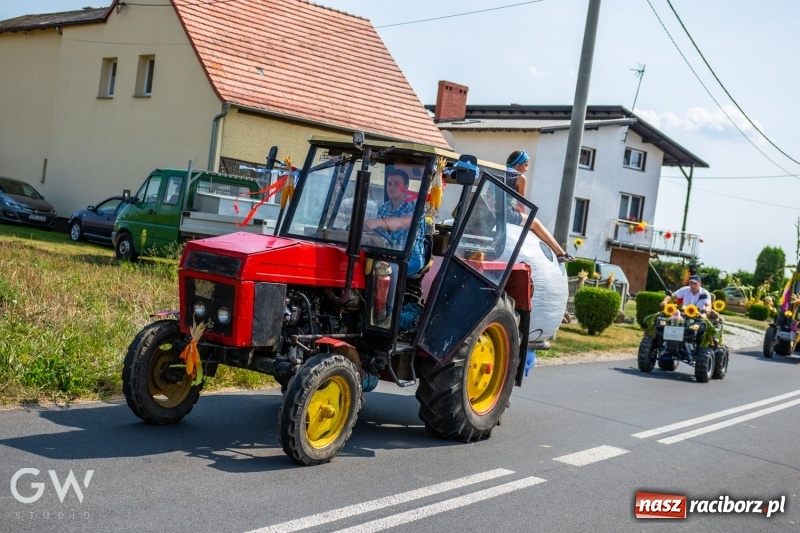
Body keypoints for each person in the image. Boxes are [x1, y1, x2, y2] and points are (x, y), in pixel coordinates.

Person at [505, 150, 573, 263]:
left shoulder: (500, 172)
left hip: (495, 213)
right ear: (518, 164)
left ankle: (561, 253)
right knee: (535, 222)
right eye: (525, 165)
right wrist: (527, 221)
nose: (526, 169)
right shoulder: (519, 178)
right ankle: (561, 253)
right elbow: (521, 203)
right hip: (507, 215)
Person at [363, 168, 426, 276]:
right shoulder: (383, 207)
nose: (391, 187)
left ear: (406, 187)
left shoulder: (415, 208)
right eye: (389, 184)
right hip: (387, 253)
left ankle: (386, 293)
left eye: (397, 184)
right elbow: (379, 234)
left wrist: (377, 222)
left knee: (386, 271)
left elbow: (400, 223)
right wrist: (366, 231)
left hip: (410, 256)